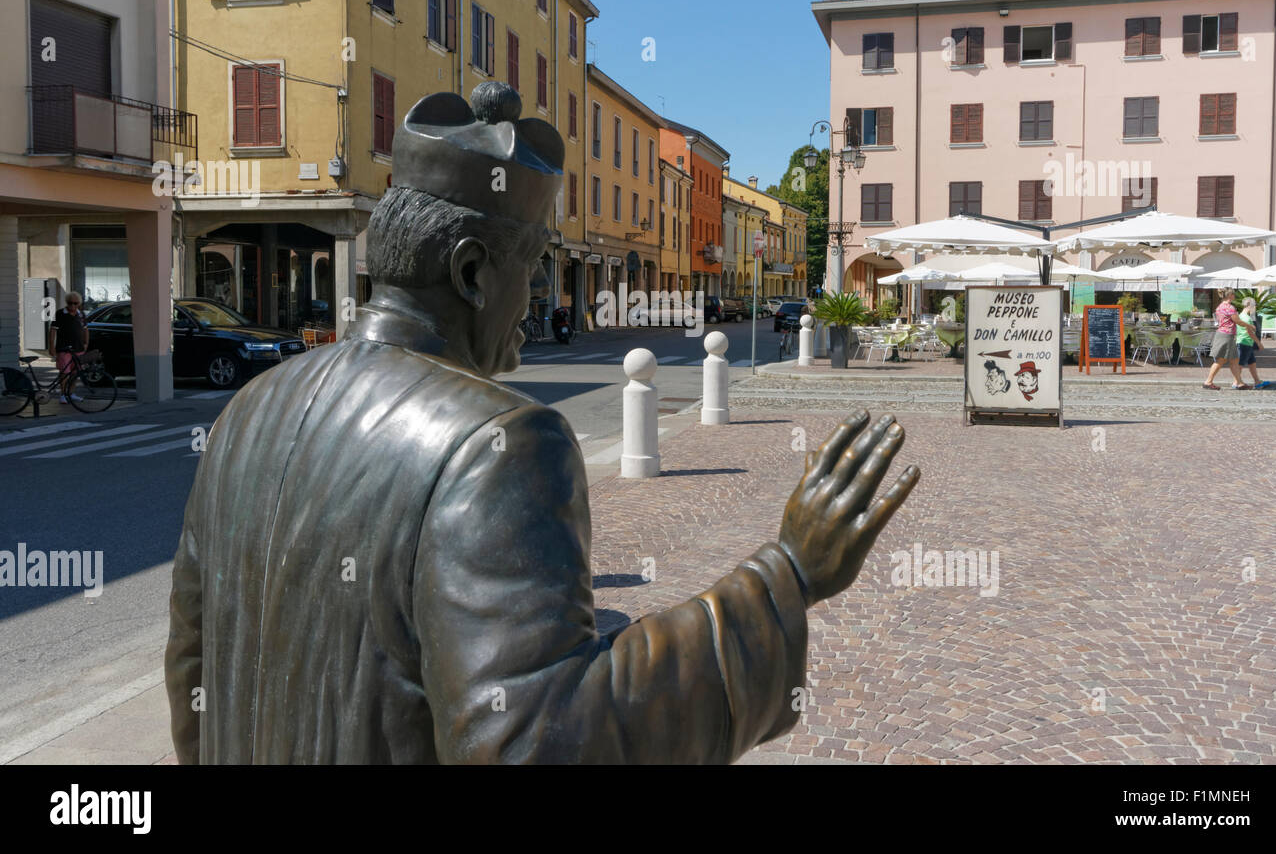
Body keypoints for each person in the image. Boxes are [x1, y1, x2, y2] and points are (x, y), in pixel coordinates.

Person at [165, 83, 920, 764]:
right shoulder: (497, 445)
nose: (536, 296)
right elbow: (535, 738)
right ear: (471, 273)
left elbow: (191, 672)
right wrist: (785, 577)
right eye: (530, 267)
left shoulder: (245, 414)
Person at [1203, 289, 1261, 390]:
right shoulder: (1229, 307)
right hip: (1227, 336)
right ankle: (1208, 381)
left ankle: (1239, 382)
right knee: (1221, 360)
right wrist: (1250, 326)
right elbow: (1237, 321)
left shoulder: (1220, 306)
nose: (1235, 295)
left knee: (1234, 361)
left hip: (1224, 335)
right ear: (1229, 295)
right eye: (1233, 294)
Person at [47, 292, 88, 403]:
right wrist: (51, 346)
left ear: (79, 303)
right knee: (64, 372)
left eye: (75, 303)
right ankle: (63, 395)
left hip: (78, 348)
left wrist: (86, 344)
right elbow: (52, 330)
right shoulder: (60, 313)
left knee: (75, 373)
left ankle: (72, 393)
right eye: (70, 303)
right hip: (64, 349)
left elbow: (85, 329)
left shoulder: (81, 314)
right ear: (67, 303)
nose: (73, 306)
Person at [1235, 296, 1264, 389]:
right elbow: (1250, 333)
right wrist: (1259, 343)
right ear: (1248, 305)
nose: (1255, 308)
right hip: (1245, 343)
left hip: (1246, 343)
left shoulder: (1240, 316)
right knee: (1240, 364)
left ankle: (1257, 381)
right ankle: (1236, 382)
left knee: (1252, 363)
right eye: (1254, 305)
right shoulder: (1246, 319)